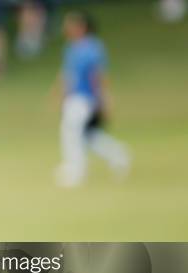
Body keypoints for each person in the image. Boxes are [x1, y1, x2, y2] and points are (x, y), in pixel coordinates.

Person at [54, 11, 130, 188]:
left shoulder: (92, 48)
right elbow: (67, 75)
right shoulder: (71, 48)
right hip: (73, 98)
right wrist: (60, 94)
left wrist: (104, 99)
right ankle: (119, 155)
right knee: (87, 136)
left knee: (71, 132)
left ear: (82, 27)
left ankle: (76, 171)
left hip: (85, 98)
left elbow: (97, 76)